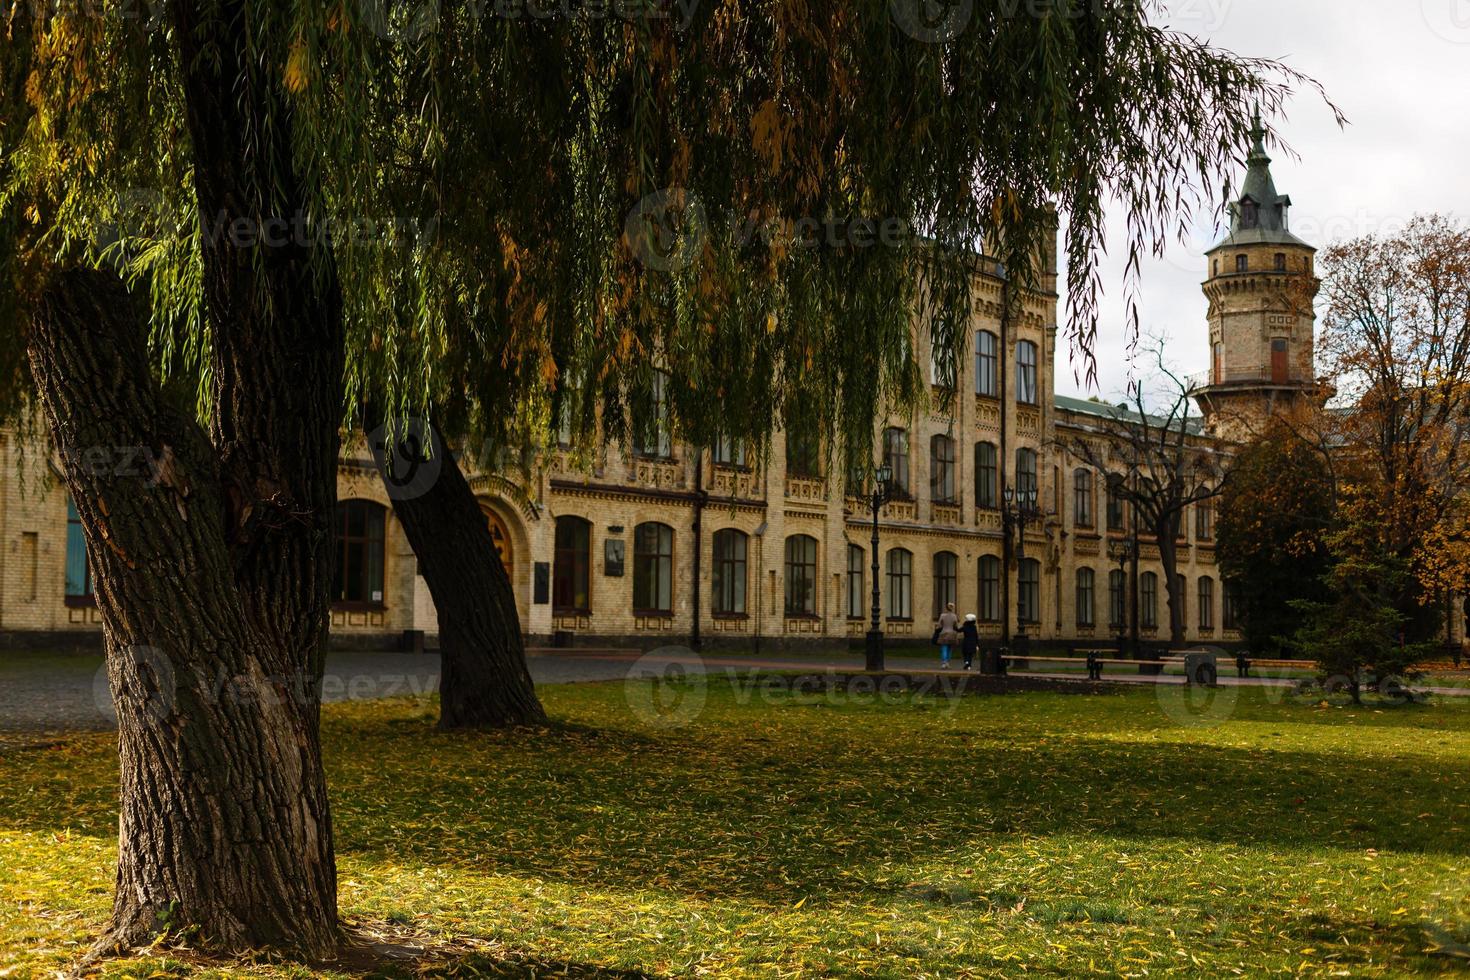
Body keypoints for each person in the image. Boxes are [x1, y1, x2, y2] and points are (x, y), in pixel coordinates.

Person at [935, 603, 960, 669]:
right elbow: (956, 626)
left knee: (944, 648)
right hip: (952, 633)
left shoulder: (942, 615)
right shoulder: (954, 616)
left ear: (946, 608)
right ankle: (948, 662)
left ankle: (944, 662)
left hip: (944, 633)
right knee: (950, 648)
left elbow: (939, 625)